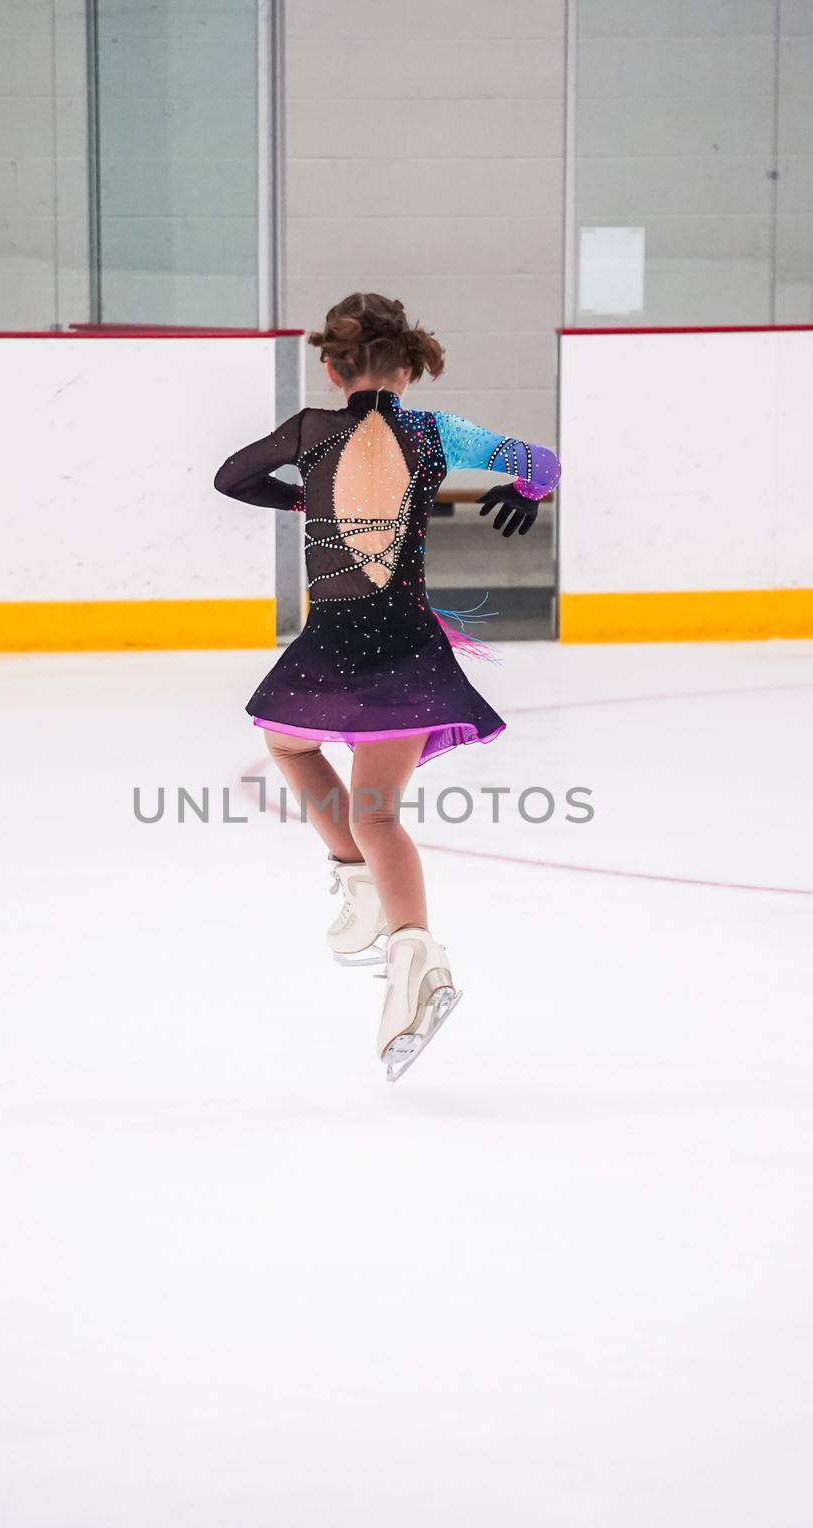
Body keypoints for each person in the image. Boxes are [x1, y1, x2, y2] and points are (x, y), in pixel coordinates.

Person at [214, 293, 560, 1079]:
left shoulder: (309, 430)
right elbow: (542, 465)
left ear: (332, 367)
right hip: (405, 645)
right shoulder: (436, 433)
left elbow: (231, 478)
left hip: (334, 642)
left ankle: (368, 896)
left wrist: (304, 495)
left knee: (287, 744)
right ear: (408, 367)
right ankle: (409, 945)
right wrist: (525, 493)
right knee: (379, 812)